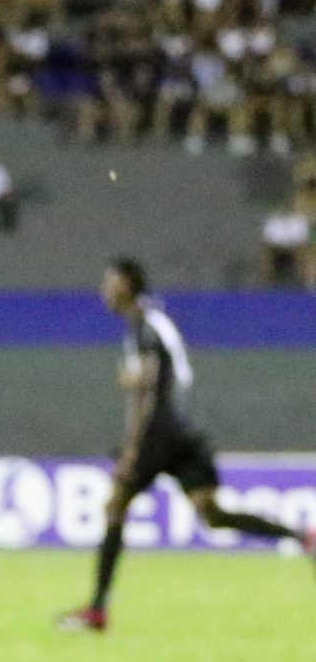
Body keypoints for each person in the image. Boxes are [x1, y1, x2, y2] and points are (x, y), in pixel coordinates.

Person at [57, 260, 314, 633]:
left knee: (115, 507)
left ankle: (97, 610)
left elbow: (150, 392)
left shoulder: (146, 327)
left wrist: (132, 449)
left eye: (110, 282)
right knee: (211, 513)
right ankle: (303, 537)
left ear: (129, 285)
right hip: (183, 431)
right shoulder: (150, 323)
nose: (104, 290)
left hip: (161, 429)